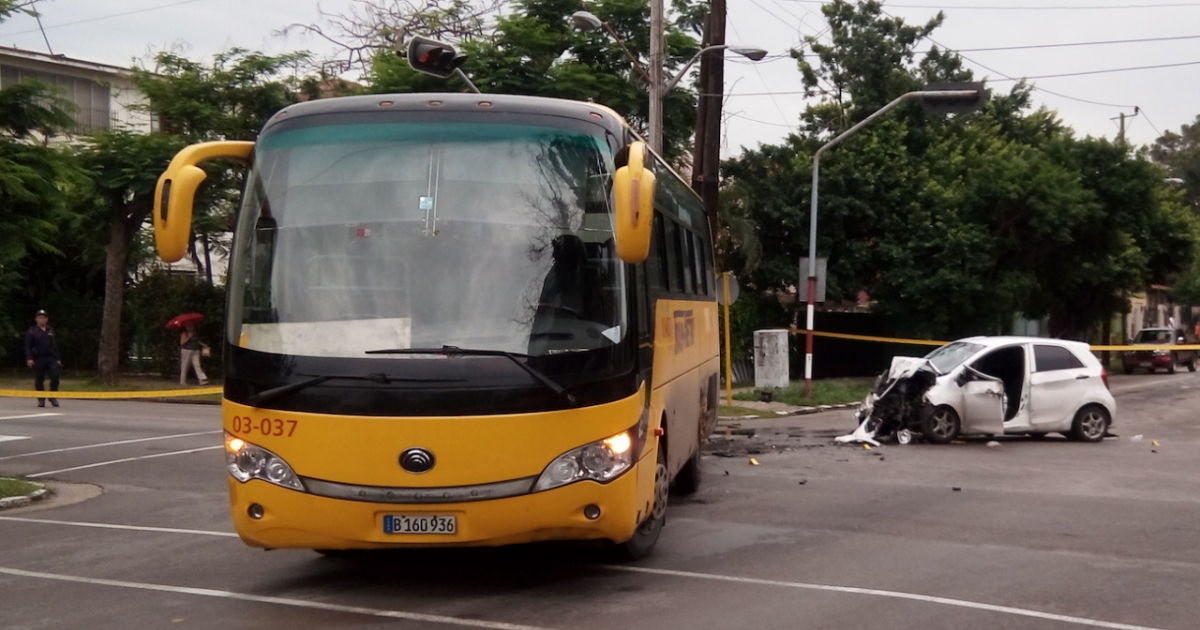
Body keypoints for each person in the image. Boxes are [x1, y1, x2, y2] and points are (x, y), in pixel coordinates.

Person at [24, 309, 61, 408]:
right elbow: (28, 346)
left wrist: (57, 358)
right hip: (38, 358)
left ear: (47, 319)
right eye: (40, 318)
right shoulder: (32, 331)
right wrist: (29, 358)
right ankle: (41, 399)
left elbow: (54, 345)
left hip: (50, 357)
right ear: (36, 319)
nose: (42, 320)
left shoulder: (50, 330)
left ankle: (53, 396)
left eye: (44, 318)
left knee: (55, 375)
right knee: (39, 379)